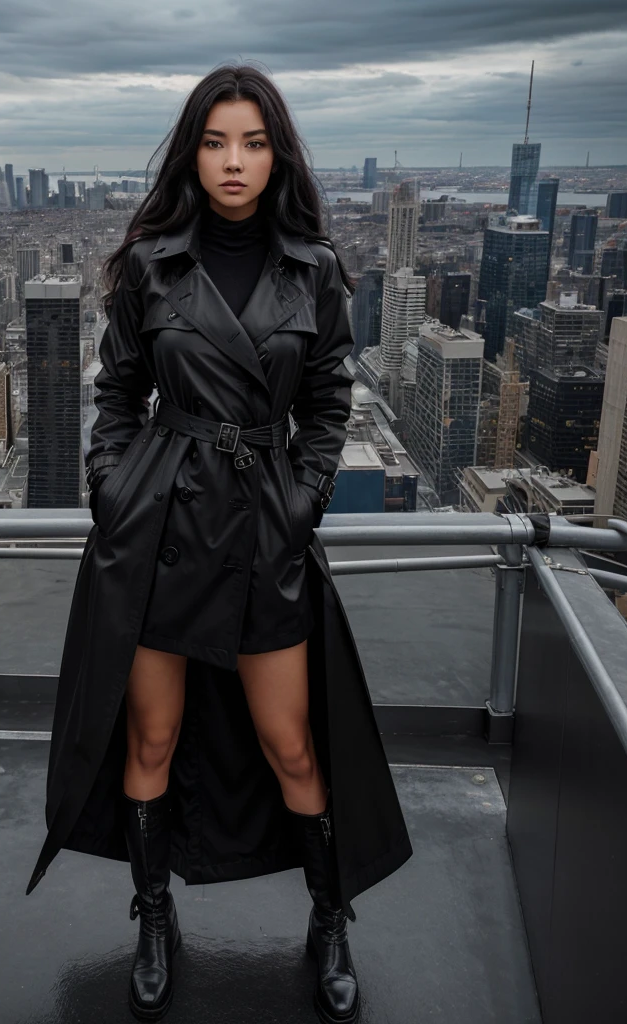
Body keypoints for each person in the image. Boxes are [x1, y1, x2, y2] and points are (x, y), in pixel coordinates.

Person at [26, 62, 413, 1023]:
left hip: (263, 528)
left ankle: (332, 916)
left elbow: (328, 401)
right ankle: (153, 914)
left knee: (290, 742)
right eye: (213, 141)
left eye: (251, 141)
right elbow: (115, 394)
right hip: (162, 520)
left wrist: (305, 498)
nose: (233, 161)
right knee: (150, 734)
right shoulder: (151, 262)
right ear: (191, 153)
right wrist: (112, 490)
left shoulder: (315, 269)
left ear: (275, 152)